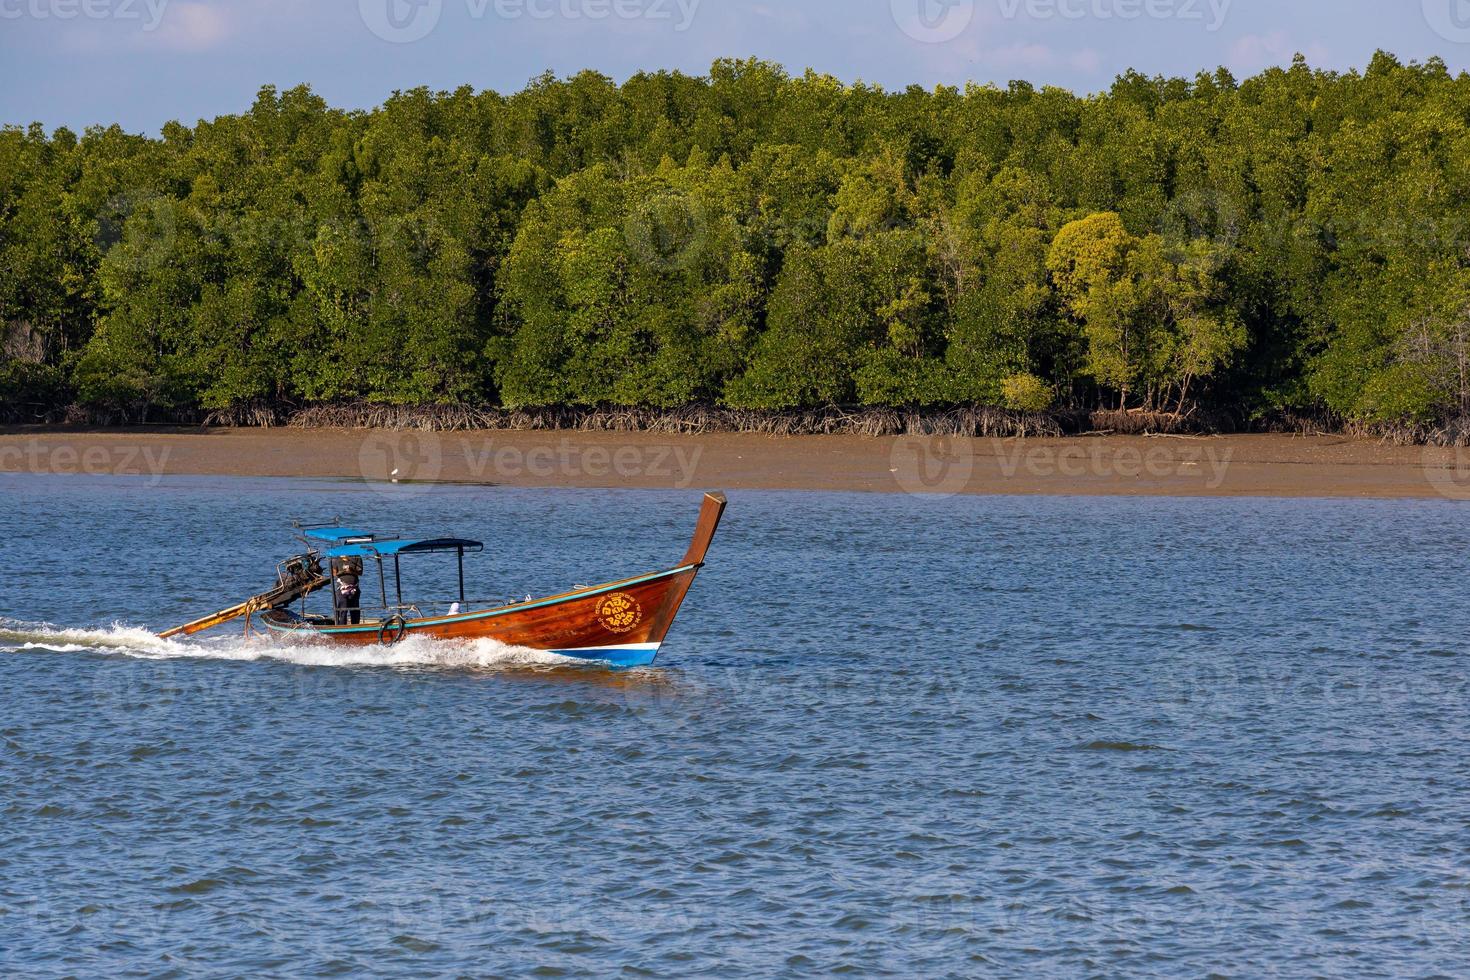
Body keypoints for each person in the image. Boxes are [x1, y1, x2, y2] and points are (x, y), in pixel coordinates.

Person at [333, 558, 363, 625]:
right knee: (343, 609)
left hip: (354, 588)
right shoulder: (336, 558)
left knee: (355, 611)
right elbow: (334, 573)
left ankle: (355, 627)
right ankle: (341, 628)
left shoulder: (356, 557)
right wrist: (342, 572)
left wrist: (351, 571)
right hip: (341, 588)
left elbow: (360, 572)